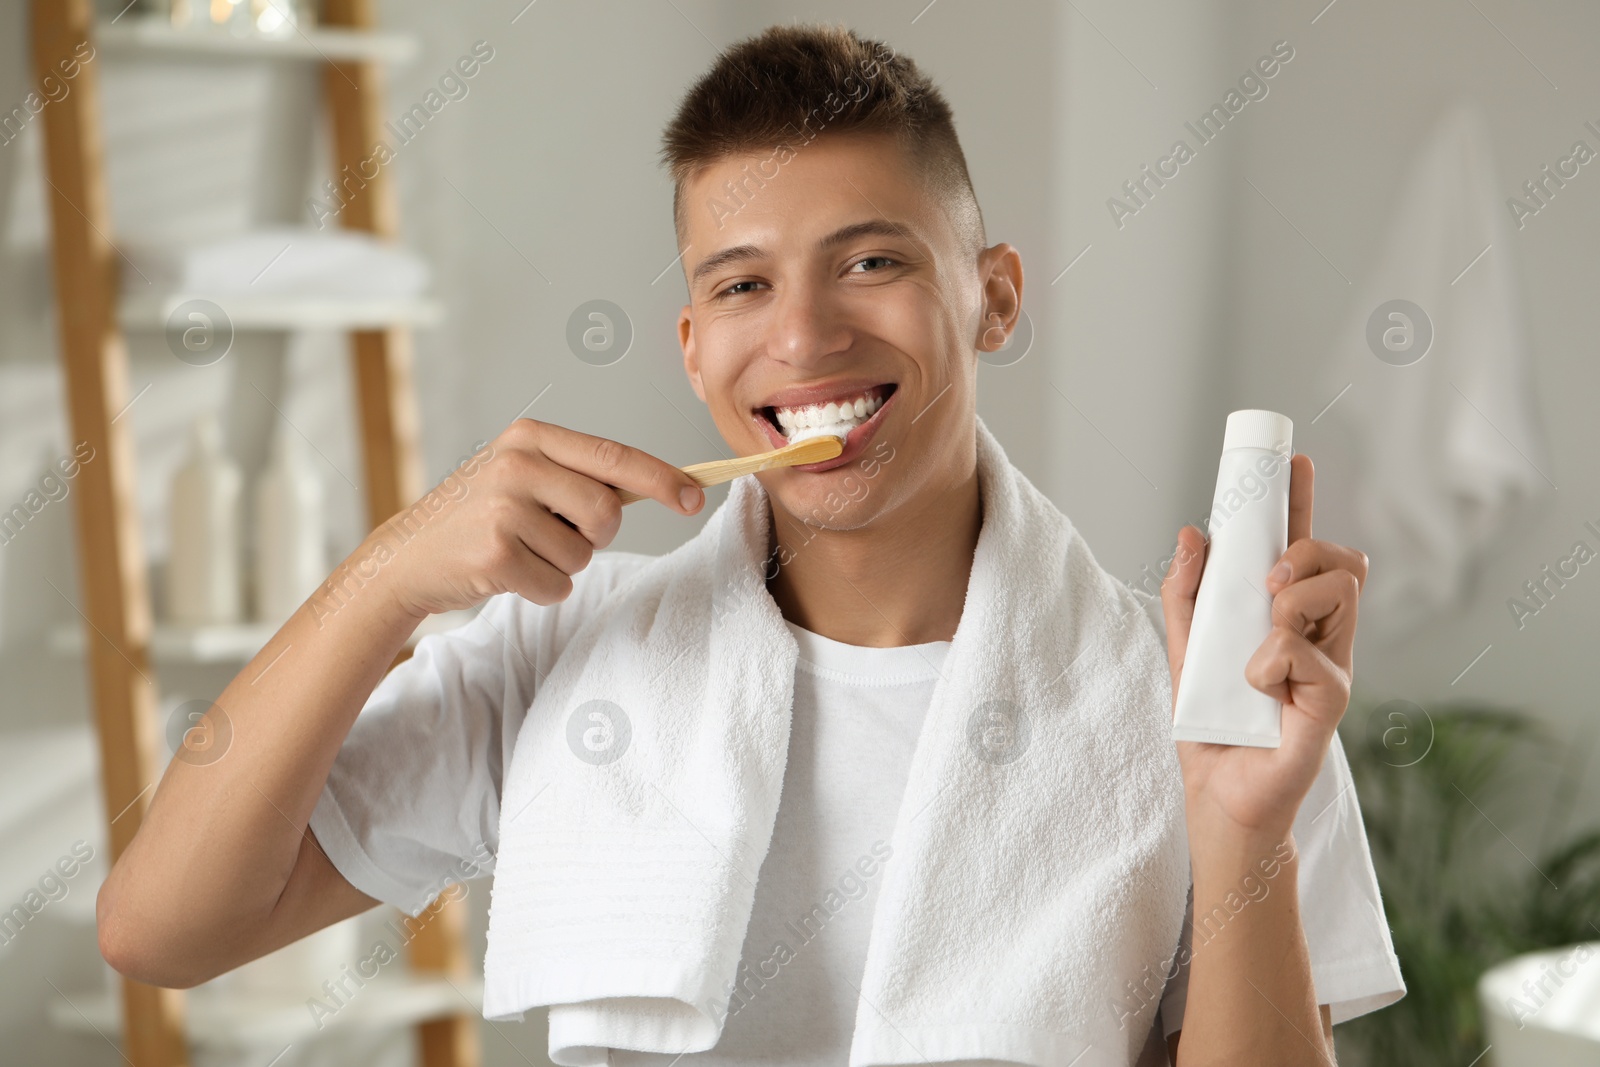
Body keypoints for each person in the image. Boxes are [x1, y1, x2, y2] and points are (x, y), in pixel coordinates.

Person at [97, 22, 1403, 1066]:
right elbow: (161, 928)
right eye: (740, 284)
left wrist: (1240, 831)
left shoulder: (1212, 706)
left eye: (871, 261)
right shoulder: (566, 651)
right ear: (691, 345)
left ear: (992, 296)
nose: (803, 338)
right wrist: (389, 576)